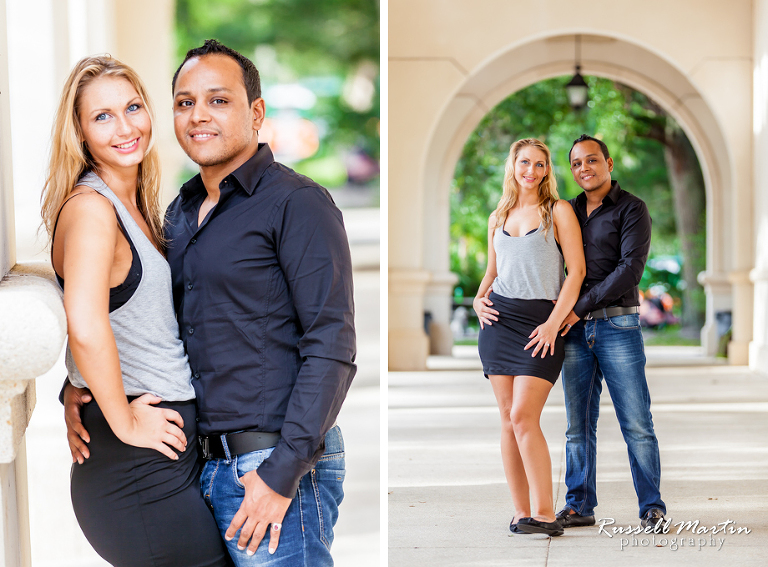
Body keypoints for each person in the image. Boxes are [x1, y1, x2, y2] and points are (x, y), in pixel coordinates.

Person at [64, 40, 356, 566]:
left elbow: (332, 346)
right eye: (184, 102)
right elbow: (140, 316)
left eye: (218, 100)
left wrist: (281, 474)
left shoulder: (298, 203)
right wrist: (80, 384)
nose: (199, 115)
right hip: (198, 464)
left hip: (272, 463)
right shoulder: (179, 211)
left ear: (256, 112)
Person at [42, 56, 229, 567]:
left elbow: (130, 318)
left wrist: (75, 386)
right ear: (78, 132)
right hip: (134, 469)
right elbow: (84, 324)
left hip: (163, 456)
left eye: (133, 107)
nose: (125, 127)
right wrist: (121, 420)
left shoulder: (138, 209)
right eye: (102, 116)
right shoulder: (91, 211)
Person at [473, 138, 585, 537]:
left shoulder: (559, 212)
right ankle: (522, 513)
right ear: (513, 165)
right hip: (498, 322)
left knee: (523, 416)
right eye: (524, 162)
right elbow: (492, 272)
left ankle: (545, 512)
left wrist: (555, 323)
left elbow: (576, 273)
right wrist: (476, 300)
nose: (531, 171)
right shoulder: (497, 215)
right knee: (507, 420)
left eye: (539, 164)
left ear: (547, 170)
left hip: (541, 323)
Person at [556, 134, 667, 530]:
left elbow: (630, 271)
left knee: (636, 421)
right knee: (577, 425)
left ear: (609, 163)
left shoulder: (632, 209)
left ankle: (651, 506)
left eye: (591, 160)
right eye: (576, 164)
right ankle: (579, 505)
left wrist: (578, 308)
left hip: (617, 323)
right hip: (573, 333)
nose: (584, 168)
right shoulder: (565, 211)